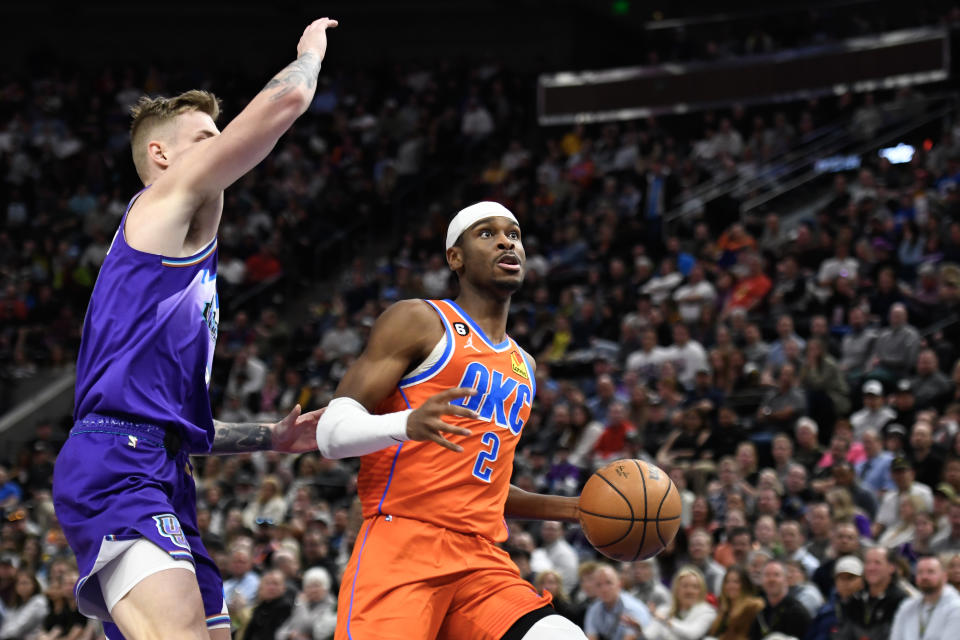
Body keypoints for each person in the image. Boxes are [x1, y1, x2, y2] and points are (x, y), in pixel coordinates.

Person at [50, 18, 338, 640]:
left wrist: (270, 437)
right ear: (162, 156)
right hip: (115, 463)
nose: (220, 148)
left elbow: (175, 429)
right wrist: (309, 54)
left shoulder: (190, 267)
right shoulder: (158, 205)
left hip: (160, 464)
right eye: (205, 137)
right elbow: (286, 101)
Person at [314, 202, 587, 639]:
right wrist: (405, 424)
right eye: (487, 233)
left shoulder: (524, 365)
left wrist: (573, 509)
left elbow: (486, 484)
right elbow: (330, 433)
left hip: (480, 558)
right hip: (402, 545)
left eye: (514, 234)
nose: (505, 241)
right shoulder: (420, 321)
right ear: (455, 258)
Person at [842, 546, 908, 640]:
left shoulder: (902, 602)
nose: (871, 568)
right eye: (868, 562)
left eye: (877, 563)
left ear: (891, 567)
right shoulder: (855, 599)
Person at [889, 554, 960, 639]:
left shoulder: (956, 607)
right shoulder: (907, 606)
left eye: (931, 572)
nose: (924, 577)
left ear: (944, 576)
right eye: (920, 572)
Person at [640, 566, 717, 640]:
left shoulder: (708, 612)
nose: (689, 591)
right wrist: (639, 630)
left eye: (695, 587)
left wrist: (666, 620)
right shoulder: (664, 610)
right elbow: (650, 635)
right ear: (676, 589)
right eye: (685, 586)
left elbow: (692, 634)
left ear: (701, 591)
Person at [584, 565, 652, 640]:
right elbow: (591, 637)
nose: (604, 589)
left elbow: (629, 638)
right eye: (598, 585)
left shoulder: (632, 608)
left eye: (609, 583)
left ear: (619, 584)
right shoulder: (594, 609)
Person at [750, 559, 811, 640]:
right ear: (761, 580)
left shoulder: (797, 612)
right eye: (767, 575)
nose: (771, 579)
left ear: (786, 579)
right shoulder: (759, 611)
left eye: (776, 575)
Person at [275, 567, 337, 640]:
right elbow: (279, 633)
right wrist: (289, 635)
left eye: (317, 586)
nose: (313, 590)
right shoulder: (304, 603)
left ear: (325, 588)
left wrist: (302, 604)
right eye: (309, 586)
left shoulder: (331, 606)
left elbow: (306, 627)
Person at [707, 566, 764, 640]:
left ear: (744, 584)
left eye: (736, 582)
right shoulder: (723, 609)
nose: (731, 586)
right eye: (727, 582)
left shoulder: (752, 608)